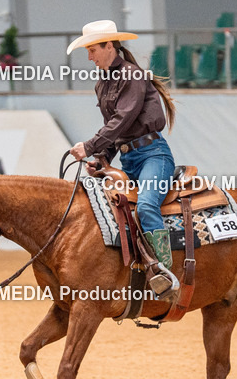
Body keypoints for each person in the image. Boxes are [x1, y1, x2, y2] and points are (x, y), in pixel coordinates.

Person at [67, 20, 179, 300]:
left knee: (146, 205)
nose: (90, 57)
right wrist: (102, 158)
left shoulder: (132, 76)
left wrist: (90, 146)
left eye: (92, 50)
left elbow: (122, 119)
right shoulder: (102, 84)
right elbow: (118, 131)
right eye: (88, 52)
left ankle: (164, 274)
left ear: (110, 46)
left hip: (154, 155)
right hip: (129, 161)